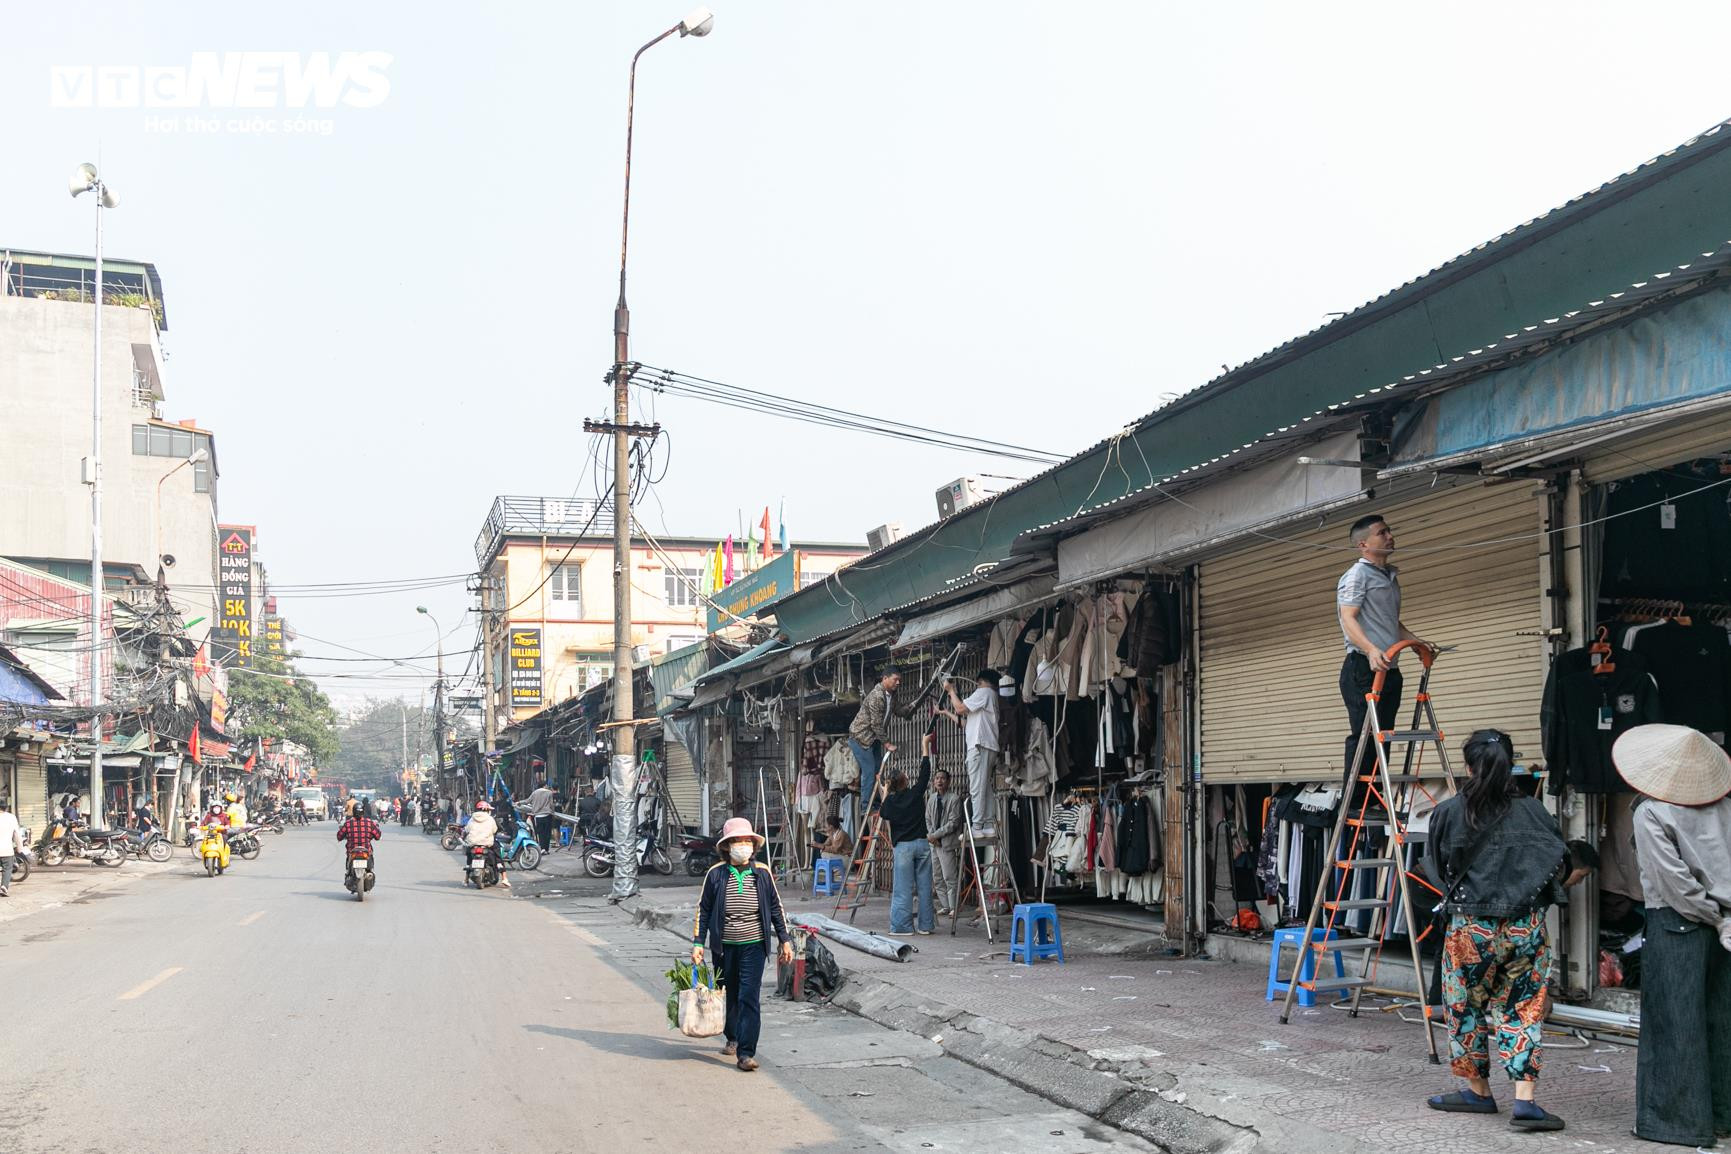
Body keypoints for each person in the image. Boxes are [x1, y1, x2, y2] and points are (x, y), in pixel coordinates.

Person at [1424, 729, 1567, 1132]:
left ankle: (1478, 1092)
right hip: (1526, 925)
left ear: (1468, 765)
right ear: (1511, 763)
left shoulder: (1449, 811)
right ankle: (1525, 1102)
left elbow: (1434, 866)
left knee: (1464, 1008)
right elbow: (1560, 862)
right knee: (1524, 1008)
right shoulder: (1535, 811)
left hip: (1470, 927)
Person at [1612, 724, 1731, 1147]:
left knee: (1674, 1023)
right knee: (1720, 1020)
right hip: (1724, 924)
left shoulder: (1651, 812)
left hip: (1677, 922)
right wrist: (1723, 918)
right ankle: (1722, 1116)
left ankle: (1677, 1123)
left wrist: (1711, 915)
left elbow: (1673, 882)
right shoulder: (1725, 807)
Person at [690, 817, 793, 1073]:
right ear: (727, 846)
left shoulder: (762, 872)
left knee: (749, 996)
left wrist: (785, 939)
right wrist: (698, 943)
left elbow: (776, 908)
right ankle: (733, 1036)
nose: (743, 845)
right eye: (737, 840)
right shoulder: (716, 874)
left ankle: (746, 1053)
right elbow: (704, 909)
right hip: (724, 946)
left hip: (754, 945)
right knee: (730, 993)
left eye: (747, 840)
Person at [1337, 514, 1429, 782]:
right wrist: (1370, 649)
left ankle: (1376, 797)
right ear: (1363, 544)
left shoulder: (1389, 576)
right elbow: (1348, 617)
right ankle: (1356, 800)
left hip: (1389, 667)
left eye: (1389, 531)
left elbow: (1390, 622)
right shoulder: (1357, 575)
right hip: (1363, 667)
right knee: (1364, 737)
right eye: (1382, 533)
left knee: (1383, 737)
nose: (1390, 536)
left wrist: (1417, 643)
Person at [879, 732, 937, 936]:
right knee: (925, 887)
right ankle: (926, 926)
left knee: (903, 889)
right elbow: (925, 773)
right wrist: (924, 746)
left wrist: (886, 791)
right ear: (905, 780)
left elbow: (883, 812)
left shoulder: (891, 801)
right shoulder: (915, 793)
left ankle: (902, 927)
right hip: (922, 844)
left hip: (903, 847)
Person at [847, 667, 916, 815]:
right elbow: (876, 724)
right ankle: (866, 807)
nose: (898, 683)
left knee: (878, 771)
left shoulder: (892, 695)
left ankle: (877, 802)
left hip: (874, 738)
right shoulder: (877, 696)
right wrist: (888, 744)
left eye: (899, 680)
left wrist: (911, 707)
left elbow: (899, 710)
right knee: (869, 771)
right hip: (860, 738)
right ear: (885, 678)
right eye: (895, 679)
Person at [944, 667, 1001, 835]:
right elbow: (965, 723)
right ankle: (988, 825)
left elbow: (960, 708)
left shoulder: (984, 692)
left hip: (979, 746)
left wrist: (950, 690)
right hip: (987, 746)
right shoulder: (991, 697)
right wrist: (946, 712)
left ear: (981, 681)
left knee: (977, 788)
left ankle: (976, 827)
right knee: (985, 787)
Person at [926, 763, 967, 916]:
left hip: (946, 843)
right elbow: (927, 819)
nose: (940, 781)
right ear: (934, 782)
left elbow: (953, 822)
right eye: (937, 778)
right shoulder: (931, 798)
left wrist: (935, 835)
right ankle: (945, 906)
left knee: (949, 876)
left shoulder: (954, 799)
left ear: (949, 781)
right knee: (937, 877)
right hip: (933, 844)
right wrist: (931, 836)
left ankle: (954, 906)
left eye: (943, 778)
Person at [464, 800, 508, 887]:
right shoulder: (490, 819)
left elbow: (467, 830)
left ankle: (466, 879)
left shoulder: (472, 819)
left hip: (473, 843)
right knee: (498, 853)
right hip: (487, 843)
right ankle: (504, 877)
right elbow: (494, 830)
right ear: (486, 810)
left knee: (469, 857)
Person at [336, 802, 383, 881]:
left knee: (348, 866)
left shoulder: (348, 823)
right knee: (370, 858)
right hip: (366, 850)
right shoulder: (369, 822)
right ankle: (370, 871)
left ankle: (348, 873)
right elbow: (378, 836)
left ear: (353, 812)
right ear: (363, 812)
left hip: (352, 851)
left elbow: (339, 836)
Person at [0, 796, 23, 897]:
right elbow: (17, 834)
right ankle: (4, 887)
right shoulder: (11, 817)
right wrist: (19, 848)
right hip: (6, 849)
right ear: (6, 807)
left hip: (6, 849)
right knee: (7, 869)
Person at [525, 779, 556, 852]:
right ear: (544, 785)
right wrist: (553, 812)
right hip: (547, 815)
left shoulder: (534, 793)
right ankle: (546, 849)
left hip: (538, 816)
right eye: (546, 785)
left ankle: (542, 848)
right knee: (547, 833)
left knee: (541, 833)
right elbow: (551, 804)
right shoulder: (549, 792)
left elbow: (527, 801)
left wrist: (519, 803)